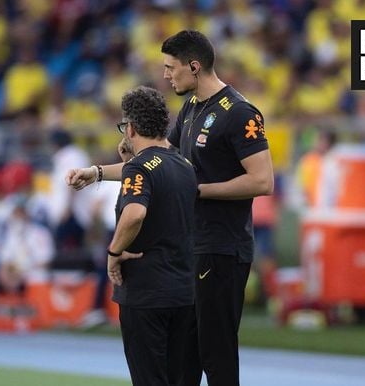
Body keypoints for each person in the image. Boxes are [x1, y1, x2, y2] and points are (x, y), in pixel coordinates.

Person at [66, 30, 274, 386]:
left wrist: (199, 190)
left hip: (223, 248)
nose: (166, 75)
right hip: (192, 248)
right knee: (185, 360)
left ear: (194, 66)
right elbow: (159, 162)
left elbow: (262, 181)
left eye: (170, 67)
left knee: (217, 353)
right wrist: (98, 172)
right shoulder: (191, 108)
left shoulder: (239, 113)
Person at [72, 85, 197, 386]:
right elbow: (152, 168)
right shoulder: (184, 164)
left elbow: (135, 213)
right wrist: (99, 172)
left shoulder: (139, 169)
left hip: (147, 292)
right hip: (185, 292)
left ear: (130, 128)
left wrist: (114, 253)